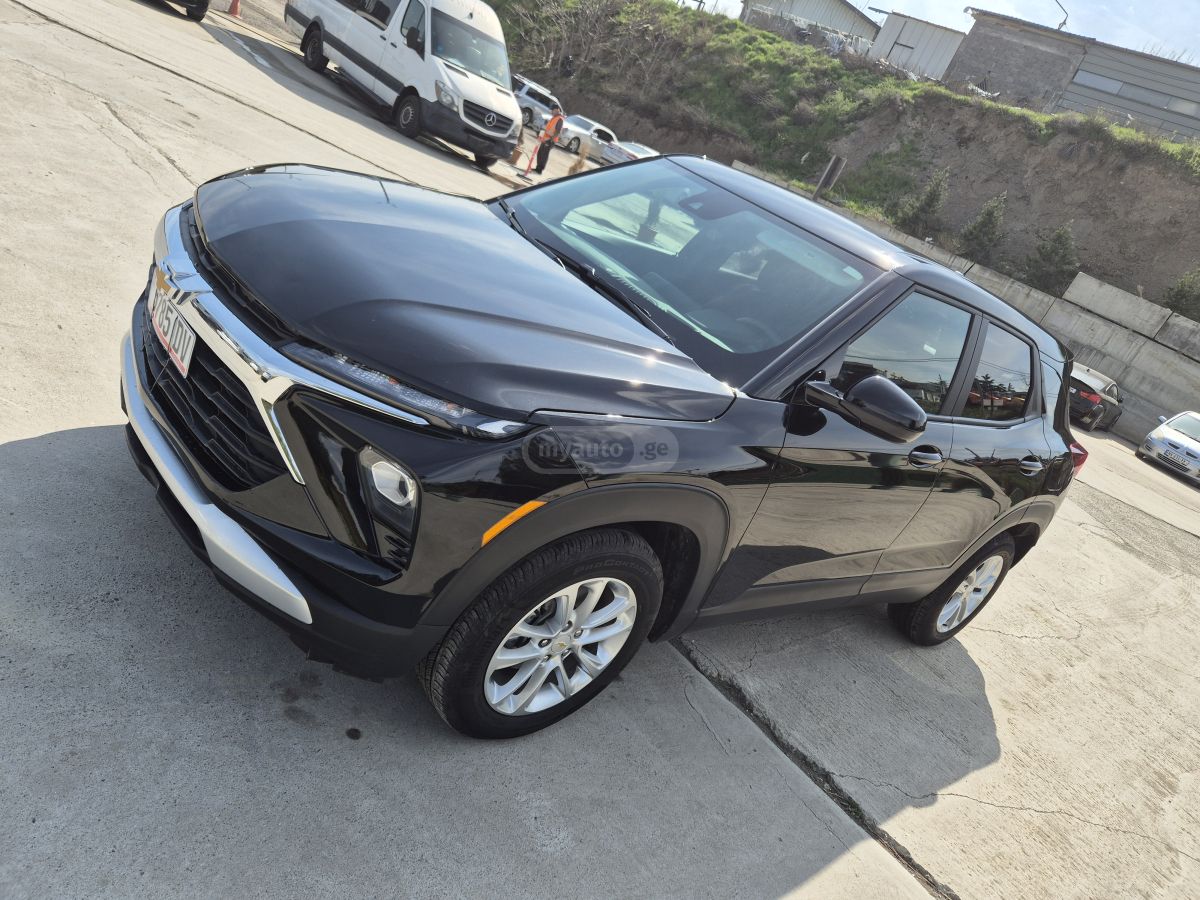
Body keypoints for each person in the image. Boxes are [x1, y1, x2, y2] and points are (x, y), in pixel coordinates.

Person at [535, 105, 564, 175]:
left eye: (552, 110)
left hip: (550, 140)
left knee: (544, 155)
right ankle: (538, 168)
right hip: (545, 139)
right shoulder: (554, 117)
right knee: (540, 153)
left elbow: (557, 131)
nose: (551, 112)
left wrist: (551, 141)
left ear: (557, 109)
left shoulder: (560, 119)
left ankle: (540, 170)